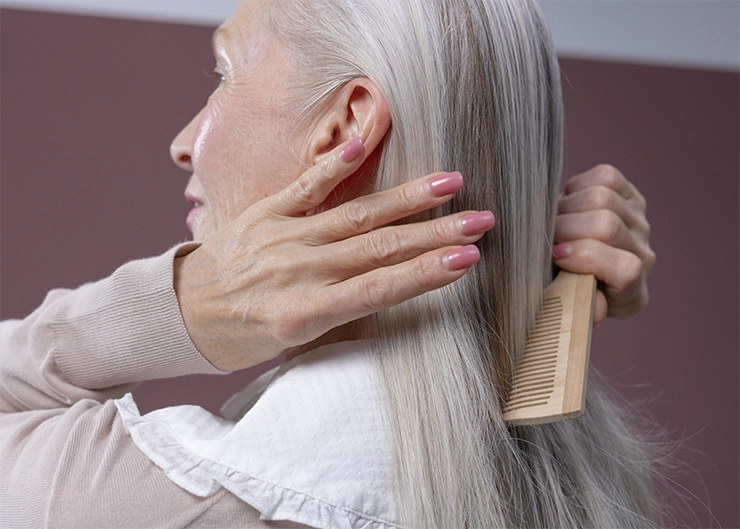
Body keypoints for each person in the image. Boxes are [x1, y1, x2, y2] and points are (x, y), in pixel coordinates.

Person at [0, 0, 657, 527]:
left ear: (345, 128)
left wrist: (184, 303)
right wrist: (527, 268)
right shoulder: (587, 482)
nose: (182, 144)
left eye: (223, 74)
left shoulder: (155, 501)